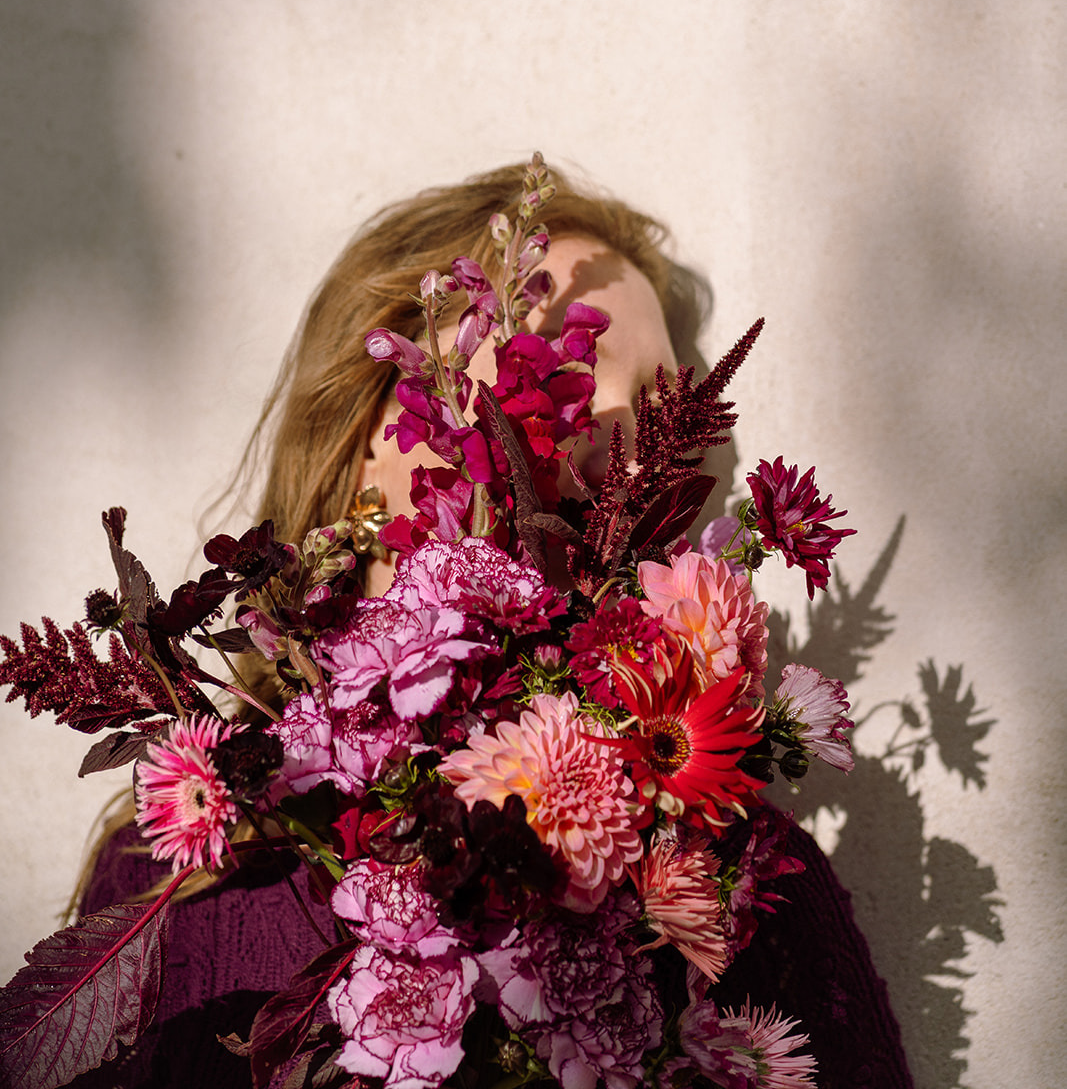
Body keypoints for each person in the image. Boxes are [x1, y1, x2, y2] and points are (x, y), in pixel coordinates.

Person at [74, 161, 914, 1089]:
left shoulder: (737, 890)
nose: (611, 428)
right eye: (562, 354)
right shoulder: (172, 882)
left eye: (656, 407)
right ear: (369, 423)